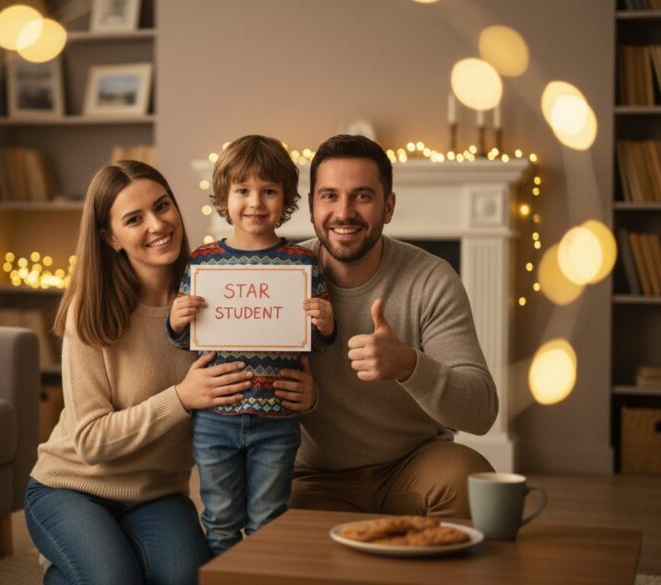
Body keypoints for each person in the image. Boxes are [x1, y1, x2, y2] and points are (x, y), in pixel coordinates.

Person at [24, 160, 317, 585]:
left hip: (158, 495)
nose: (158, 224)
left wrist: (307, 395)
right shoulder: (89, 313)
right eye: (134, 219)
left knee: (188, 578)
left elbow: (254, 387)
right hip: (71, 486)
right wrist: (181, 398)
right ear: (110, 237)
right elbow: (88, 442)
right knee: (115, 579)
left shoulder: (217, 290)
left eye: (162, 206)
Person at [290, 134, 498, 519]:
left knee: (471, 480)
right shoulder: (284, 275)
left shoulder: (431, 279)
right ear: (312, 206)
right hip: (313, 475)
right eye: (330, 195)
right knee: (274, 515)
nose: (344, 212)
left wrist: (409, 365)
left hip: (412, 466)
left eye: (362, 196)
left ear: (388, 207)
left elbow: (482, 411)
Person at [166, 135, 335, 555]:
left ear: (286, 198)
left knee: (268, 521)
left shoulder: (301, 263)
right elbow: (189, 339)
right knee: (220, 521)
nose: (255, 202)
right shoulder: (202, 262)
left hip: (277, 420)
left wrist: (327, 325)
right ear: (224, 195)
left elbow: (314, 340)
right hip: (215, 419)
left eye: (269, 191)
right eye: (243, 190)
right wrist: (176, 320)